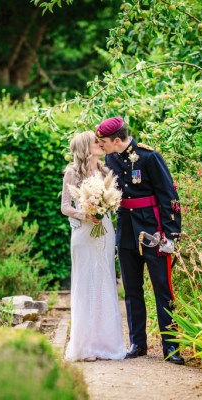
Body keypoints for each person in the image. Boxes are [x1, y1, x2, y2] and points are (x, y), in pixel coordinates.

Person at [95, 117, 184, 365]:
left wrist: (171, 234)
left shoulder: (149, 157)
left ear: (116, 140)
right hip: (126, 230)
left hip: (153, 230)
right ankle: (138, 343)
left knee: (162, 289)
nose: (101, 146)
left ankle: (171, 347)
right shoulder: (111, 158)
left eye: (103, 142)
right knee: (132, 290)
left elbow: (170, 196)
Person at [61, 130, 127, 362]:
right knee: (85, 282)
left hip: (105, 231)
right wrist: (86, 213)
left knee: (105, 279)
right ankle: (85, 345)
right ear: (84, 148)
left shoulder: (106, 171)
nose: (100, 144)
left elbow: (114, 199)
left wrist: (105, 208)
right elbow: (65, 207)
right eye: (94, 142)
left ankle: (107, 344)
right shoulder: (71, 172)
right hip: (83, 232)